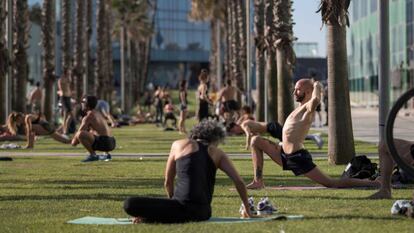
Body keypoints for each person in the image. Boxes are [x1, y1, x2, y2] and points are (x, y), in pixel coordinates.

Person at [245, 78, 380, 189]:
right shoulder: (298, 109)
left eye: (298, 90)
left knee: (332, 183)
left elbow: (315, 101)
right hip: (283, 154)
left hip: (298, 157)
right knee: (256, 141)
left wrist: (317, 86)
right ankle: (258, 181)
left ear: (308, 91)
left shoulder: (308, 108)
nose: (294, 92)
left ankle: (371, 182)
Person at [123, 120, 253, 223]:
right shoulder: (218, 153)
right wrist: (247, 208)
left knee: (129, 203)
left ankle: (152, 217)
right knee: (175, 210)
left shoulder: (178, 144)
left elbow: (168, 182)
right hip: (204, 213)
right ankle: (154, 217)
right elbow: (239, 182)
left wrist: (171, 203)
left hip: (180, 207)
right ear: (215, 139)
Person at [71, 96, 116, 162]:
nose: (81, 103)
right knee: (92, 132)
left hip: (105, 143)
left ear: (87, 105)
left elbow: (80, 132)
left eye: (83, 102)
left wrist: (73, 142)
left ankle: (93, 155)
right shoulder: (97, 113)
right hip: (111, 142)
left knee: (80, 134)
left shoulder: (88, 117)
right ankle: (106, 155)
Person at [241, 120, 324, 150]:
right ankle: (312, 136)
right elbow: (257, 132)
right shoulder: (247, 124)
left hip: (271, 127)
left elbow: (248, 135)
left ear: (234, 127)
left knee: (288, 139)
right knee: (288, 139)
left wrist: (247, 146)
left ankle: (313, 136)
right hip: (271, 128)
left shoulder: (243, 125)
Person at [3, 112, 71, 148]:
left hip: (46, 127)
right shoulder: (26, 118)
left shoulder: (27, 118)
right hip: (46, 127)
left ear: (19, 117)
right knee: (65, 141)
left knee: (29, 129)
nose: (20, 123)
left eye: (19, 121)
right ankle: (30, 145)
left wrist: (28, 142)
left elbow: (29, 130)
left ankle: (30, 145)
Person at [57, 68, 74, 135]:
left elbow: (69, 85)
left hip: (68, 97)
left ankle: (64, 130)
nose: (69, 73)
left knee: (66, 115)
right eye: (68, 72)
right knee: (70, 114)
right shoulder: (61, 79)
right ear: (65, 72)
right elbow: (61, 89)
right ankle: (65, 130)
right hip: (64, 97)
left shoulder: (68, 79)